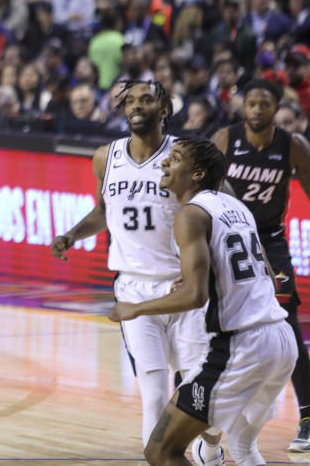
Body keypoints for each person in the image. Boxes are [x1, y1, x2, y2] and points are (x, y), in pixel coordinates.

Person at [51, 81, 224, 463]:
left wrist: (208, 265)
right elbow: (103, 211)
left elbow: (219, 206)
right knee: (154, 391)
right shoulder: (105, 157)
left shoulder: (185, 156)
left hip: (184, 289)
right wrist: (73, 235)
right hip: (133, 289)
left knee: (198, 388)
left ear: (164, 109)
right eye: (130, 100)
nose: (136, 105)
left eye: (146, 99)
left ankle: (212, 445)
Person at [109, 136, 297, 466]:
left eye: (176, 158)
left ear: (197, 174)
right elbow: (266, 274)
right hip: (281, 340)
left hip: (242, 345)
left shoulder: (190, 214)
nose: (165, 163)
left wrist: (134, 308)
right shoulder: (236, 206)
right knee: (242, 447)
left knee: (160, 451)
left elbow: (194, 297)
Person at [210, 78, 310, 452]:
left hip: (270, 241)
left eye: (263, 104)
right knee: (216, 323)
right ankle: (209, 414)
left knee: (287, 325)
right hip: (230, 239)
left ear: (275, 108)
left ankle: (308, 416)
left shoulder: (292, 146)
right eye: (250, 103)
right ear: (243, 107)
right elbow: (206, 188)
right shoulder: (225, 139)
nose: (255, 110)